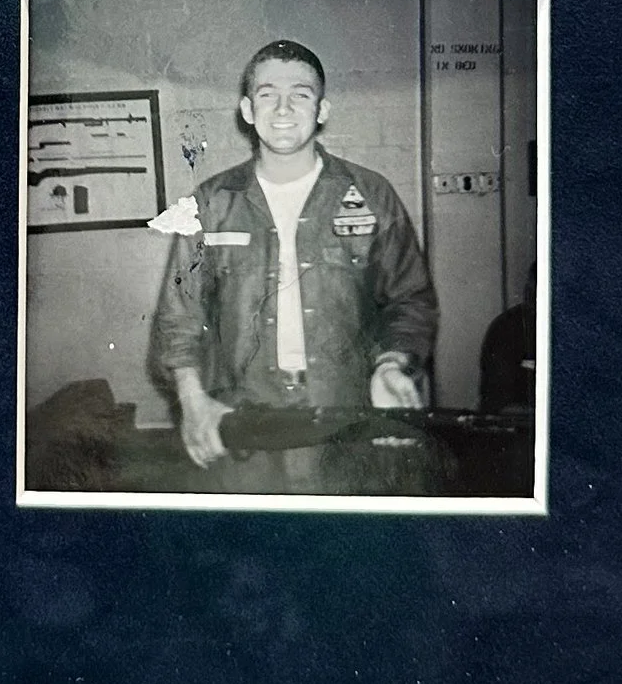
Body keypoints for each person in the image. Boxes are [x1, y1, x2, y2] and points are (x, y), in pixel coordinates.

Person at [146, 39, 439, 471]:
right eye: (268, 95)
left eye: (300, 95)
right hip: (239, 423)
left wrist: (392, 364)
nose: (283, 109)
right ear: (247, 110)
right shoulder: (210, 204)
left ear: (322, 110)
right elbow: (178, 318)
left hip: (345, 421)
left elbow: (410, 300)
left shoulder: (371, 195)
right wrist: (192, 402)